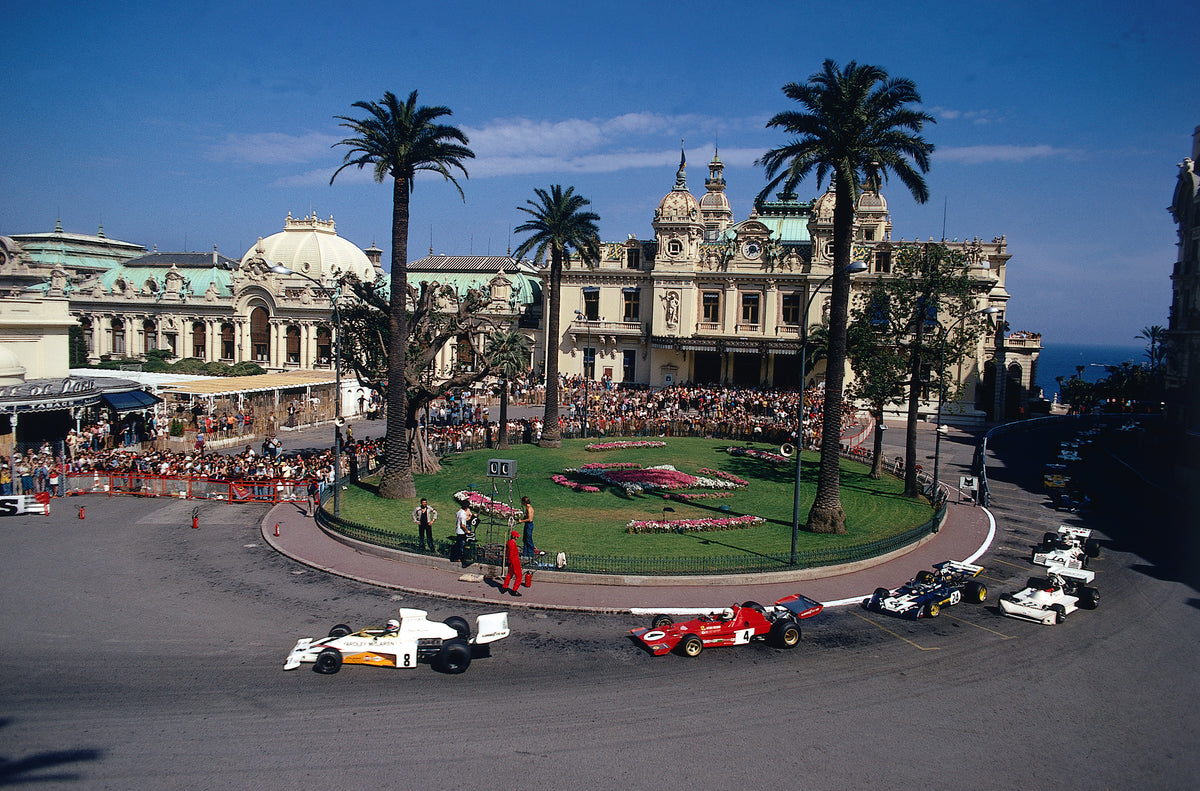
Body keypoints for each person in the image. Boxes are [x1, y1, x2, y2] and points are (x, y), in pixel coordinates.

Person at [503, 529, 522, 596]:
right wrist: (510, 560)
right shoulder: (512, 543)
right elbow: (511, 553)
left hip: (511, 560)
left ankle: (505, 587)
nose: (517, 537)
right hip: (514, 560)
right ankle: (514, 590)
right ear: (514, 536)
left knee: (509, 574)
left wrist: (508, 560)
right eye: (517, 536)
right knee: (519, 576)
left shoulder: (509, 542)